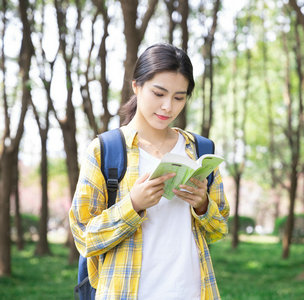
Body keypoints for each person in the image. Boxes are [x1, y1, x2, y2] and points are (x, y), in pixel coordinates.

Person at [69, 43, 229, 300]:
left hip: (191, 292)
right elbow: (85, 238)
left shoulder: (199, 150)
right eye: (159, 93)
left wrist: (202, 205)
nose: (168, 106)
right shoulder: (105, 150)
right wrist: (133, 205)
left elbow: (218, 229)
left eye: (179, 97)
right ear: (137, 86)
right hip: (126, 292)